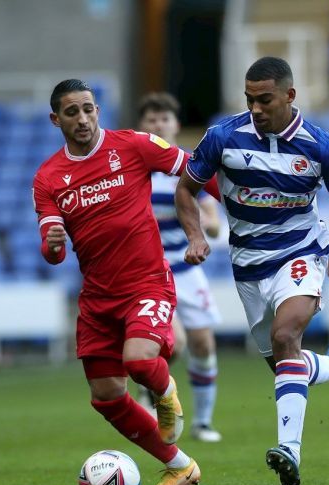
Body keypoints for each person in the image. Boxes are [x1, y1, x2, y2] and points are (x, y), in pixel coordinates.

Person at [175, 57, 329, 485]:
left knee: (286, 339)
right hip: (247, 267)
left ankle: (289, 452)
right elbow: (186, 189)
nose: (256, 108)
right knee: (285, 365)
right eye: (249, 100)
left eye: (265, 99)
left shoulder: (321, 147)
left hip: (301, 253)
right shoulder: (223, 137)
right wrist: (195, 236)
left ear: (289, 95)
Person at [32, 79, 209, 485]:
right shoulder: (48, 177)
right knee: (107, 396)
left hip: (146, 282)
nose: (83, 118)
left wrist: (235, 210)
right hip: (97, 298)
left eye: (88, 109)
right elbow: (52, 248)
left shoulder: (133, 146)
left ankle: (166, 395)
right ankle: (181, 467)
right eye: (72, 112)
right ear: (56, 119)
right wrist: (52, 245)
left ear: (98, 110)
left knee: (140, 361)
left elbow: (196, 170)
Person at [136, 92, 224, 443]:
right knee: (176, 342)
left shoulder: (188, 168)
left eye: (164, 119)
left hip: (186, 268)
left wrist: (209, 223)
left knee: (203, 344)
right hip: (150, 272)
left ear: (175, 124)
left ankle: (203, 422)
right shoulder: (136, 169)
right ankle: (151, 391)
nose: (158, 125)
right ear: (142, 127)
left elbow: (212, 219)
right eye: (151, 120)